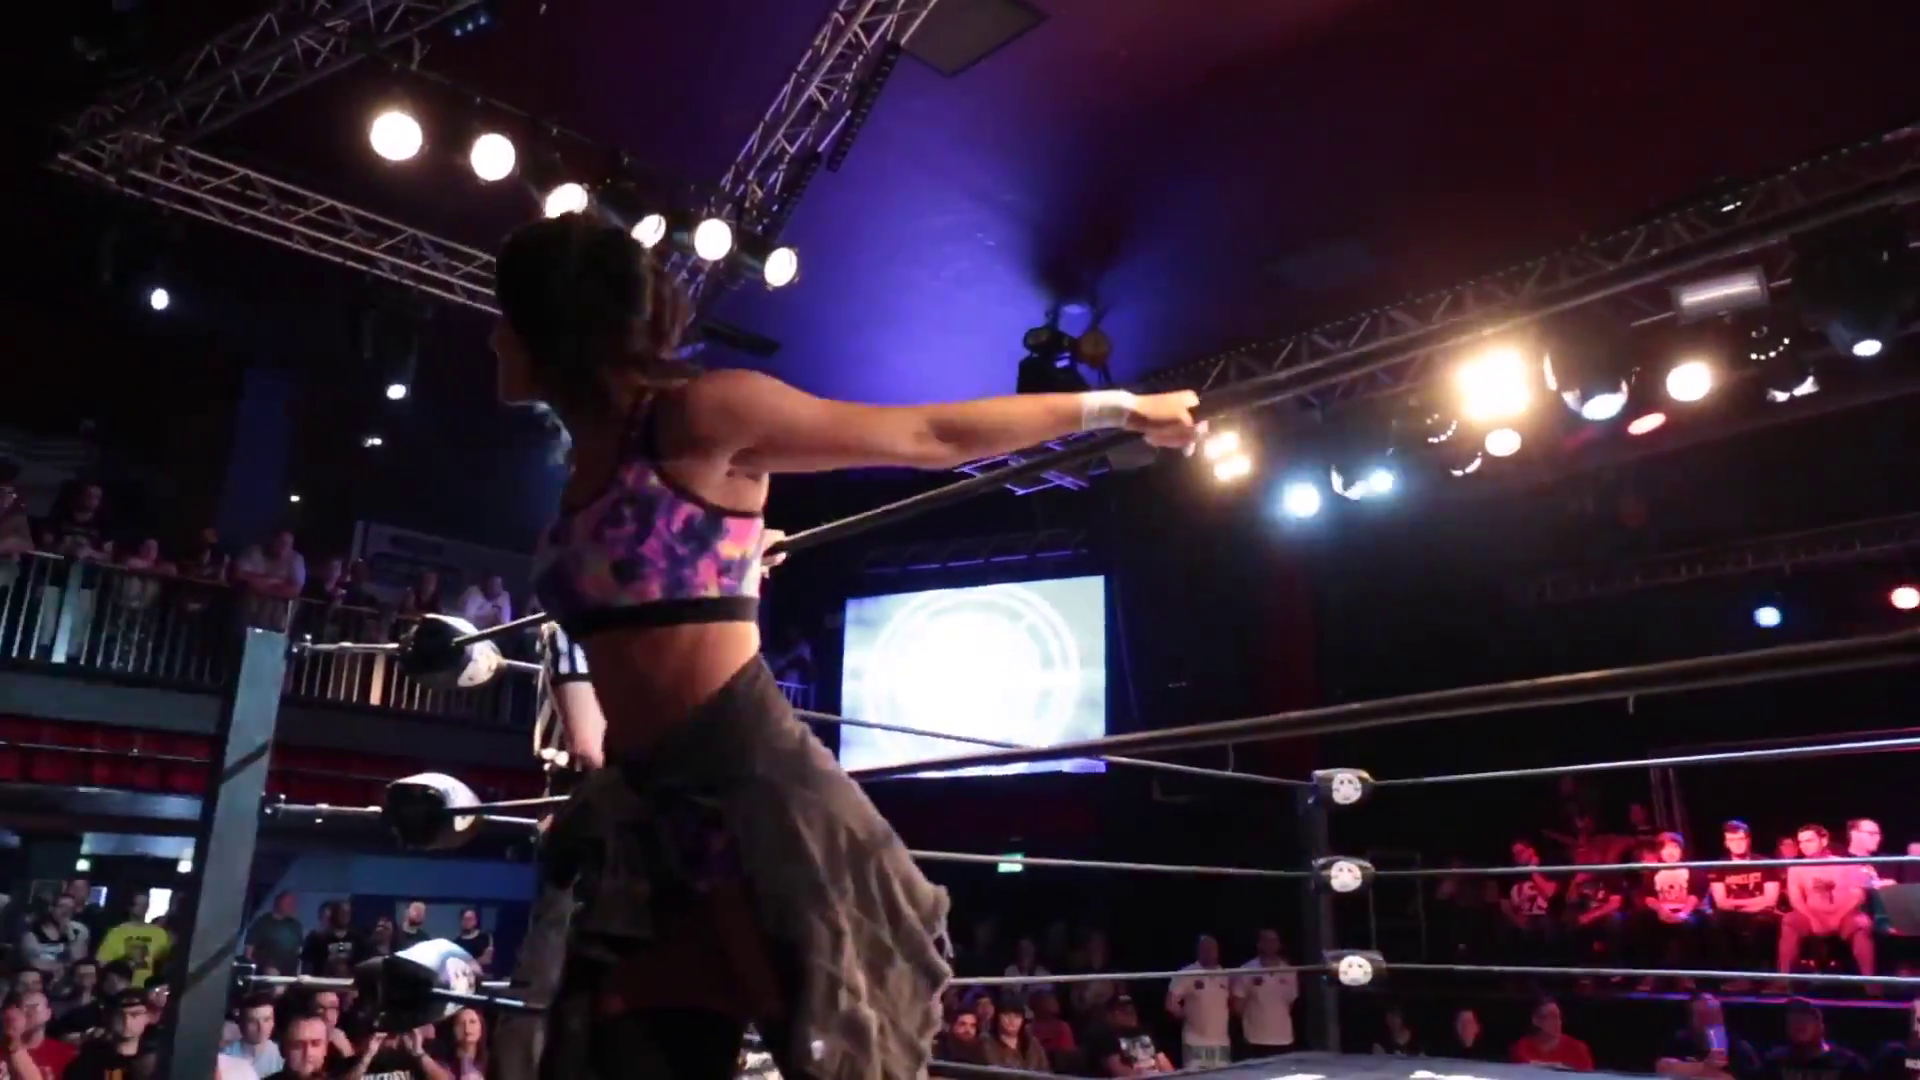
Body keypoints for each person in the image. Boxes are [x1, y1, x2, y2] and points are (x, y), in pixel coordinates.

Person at [494, 211, 1202, 1080]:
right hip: (648, 815)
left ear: (550, 325)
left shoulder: (699, 415)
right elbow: (652, 590)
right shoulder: (583, 464)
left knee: (839, 1058)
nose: (493, 339)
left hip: (743, 783)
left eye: (505, 318)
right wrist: (730, 564)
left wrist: (1119, 407)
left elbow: (929, 436)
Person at [1780, 825, 1876, 978]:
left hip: (1845, 917)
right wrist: (1813, 919)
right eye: (1801, 842)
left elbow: (1858, 896)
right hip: (1811, 918)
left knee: (1862, 922)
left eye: (1809, 841)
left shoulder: (1847, 864)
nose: (1803, 846)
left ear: (1824, 840)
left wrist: (1838, 917)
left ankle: (1871, 983)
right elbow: (1795, 899)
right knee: (1790, 920)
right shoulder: (1796, 869)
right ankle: (1784, 981)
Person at [1230, 927, 1299, 1060]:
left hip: (1284, 1038)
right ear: (1259, 944)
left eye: (1274, 940)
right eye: (1266, 940)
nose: (1270, 944)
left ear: (1279, 944)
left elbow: (1290, 1003)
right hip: (1256, 1039)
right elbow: (1238, 1008)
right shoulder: (1246, 970)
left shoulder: (1289, 971)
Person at [1656, 993, 1761, 1080]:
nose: (1711, 1022)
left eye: (1715, 1015)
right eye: (1703, 1016)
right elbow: (1663, 1068)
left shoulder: (1740, 1048)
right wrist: (1704, 1067)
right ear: (1692, 1020)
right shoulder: (1681, 1040)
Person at [1758, 999, 1869, 1080]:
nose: (1798, 1023)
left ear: (1821, 1024)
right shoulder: (1774, 1063)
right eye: (1793, 1018)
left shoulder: (1848, 1064)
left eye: (1805, 1017)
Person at [1166, 934, 1231, 1069]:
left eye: (1212, 948)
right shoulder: (1187, 973)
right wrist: (1188, 1016)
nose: (1209, 951)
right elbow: (1171, 1004)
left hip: (1221, 1041)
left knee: (1223, 1075)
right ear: (1198, 950)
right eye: (1205, 948)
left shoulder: (1225, 975)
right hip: (1195, 1040)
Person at [64, 990, 151, 1080]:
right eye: (120, 1015)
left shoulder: (154, 1057)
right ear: (110, 1018)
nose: (126, 1021)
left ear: (148, 1017)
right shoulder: (92, 1058)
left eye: (134, 1015)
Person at [1086, 996, 1173, 1077]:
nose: (1130, 1013)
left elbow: (1161, 1059)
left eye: (1132, 1009)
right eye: (1124, 1010)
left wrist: (1172, 1076)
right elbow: (1118, 1069)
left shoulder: (1144, 1031)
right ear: (1111, 1014)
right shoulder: (1104, 1036)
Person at [1510, 997, 1594, 1071]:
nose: (1557, 1022)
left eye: (1559, 1017)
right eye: (1551, 1017)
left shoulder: (1578, 1049)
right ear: (1536, 1020)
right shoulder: (1521, 1048)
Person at [980, 1003, 1049, 1073]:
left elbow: (1045, 1071)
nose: (1011, 1020)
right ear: (998, 1017)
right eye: (1006, 1015)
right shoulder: (986, 1042)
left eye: (1017, 1016)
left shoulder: (1032, 1044)